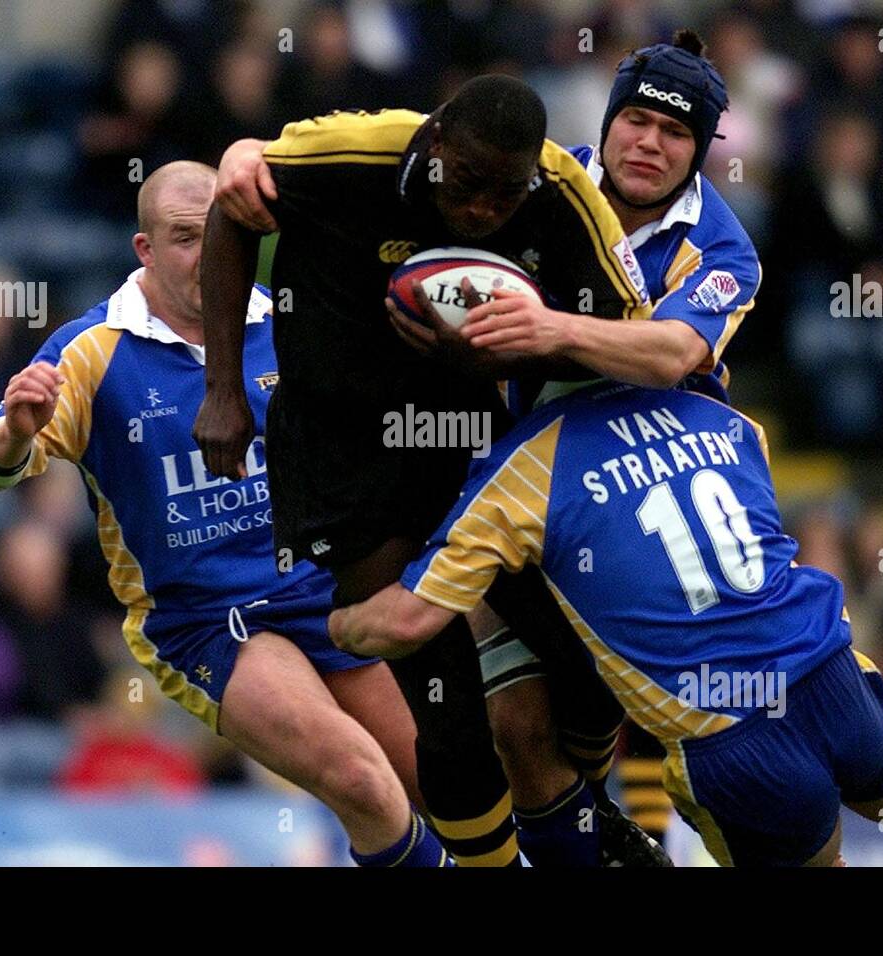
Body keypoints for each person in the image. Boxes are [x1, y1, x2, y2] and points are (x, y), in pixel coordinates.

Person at [212, 30, 760, 850]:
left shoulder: (651, 226)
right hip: (354, 466)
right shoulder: (377, 152)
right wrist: (225, 384)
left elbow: (660, 353)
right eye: (637, 120)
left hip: (533, 467)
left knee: (585, 684)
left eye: (676, 132)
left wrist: (522, 338)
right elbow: (238, 200)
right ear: (433, 143)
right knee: (457, 717)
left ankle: (586, 816)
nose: (478, 212)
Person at [327, 380, 883, 867]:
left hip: (737, 748)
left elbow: (409, 620)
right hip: (832, 681)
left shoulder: (524, 463)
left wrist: (336, 625)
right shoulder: (723, 418)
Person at [0, 161, 445, 867]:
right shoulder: (95, 351)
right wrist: (16, 429)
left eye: (219, 233)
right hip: (206, 619)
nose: (206, 252)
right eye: (185, 238)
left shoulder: (289, 322)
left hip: (324, 591)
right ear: (146, 250)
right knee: (359, 780)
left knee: (448, 787)